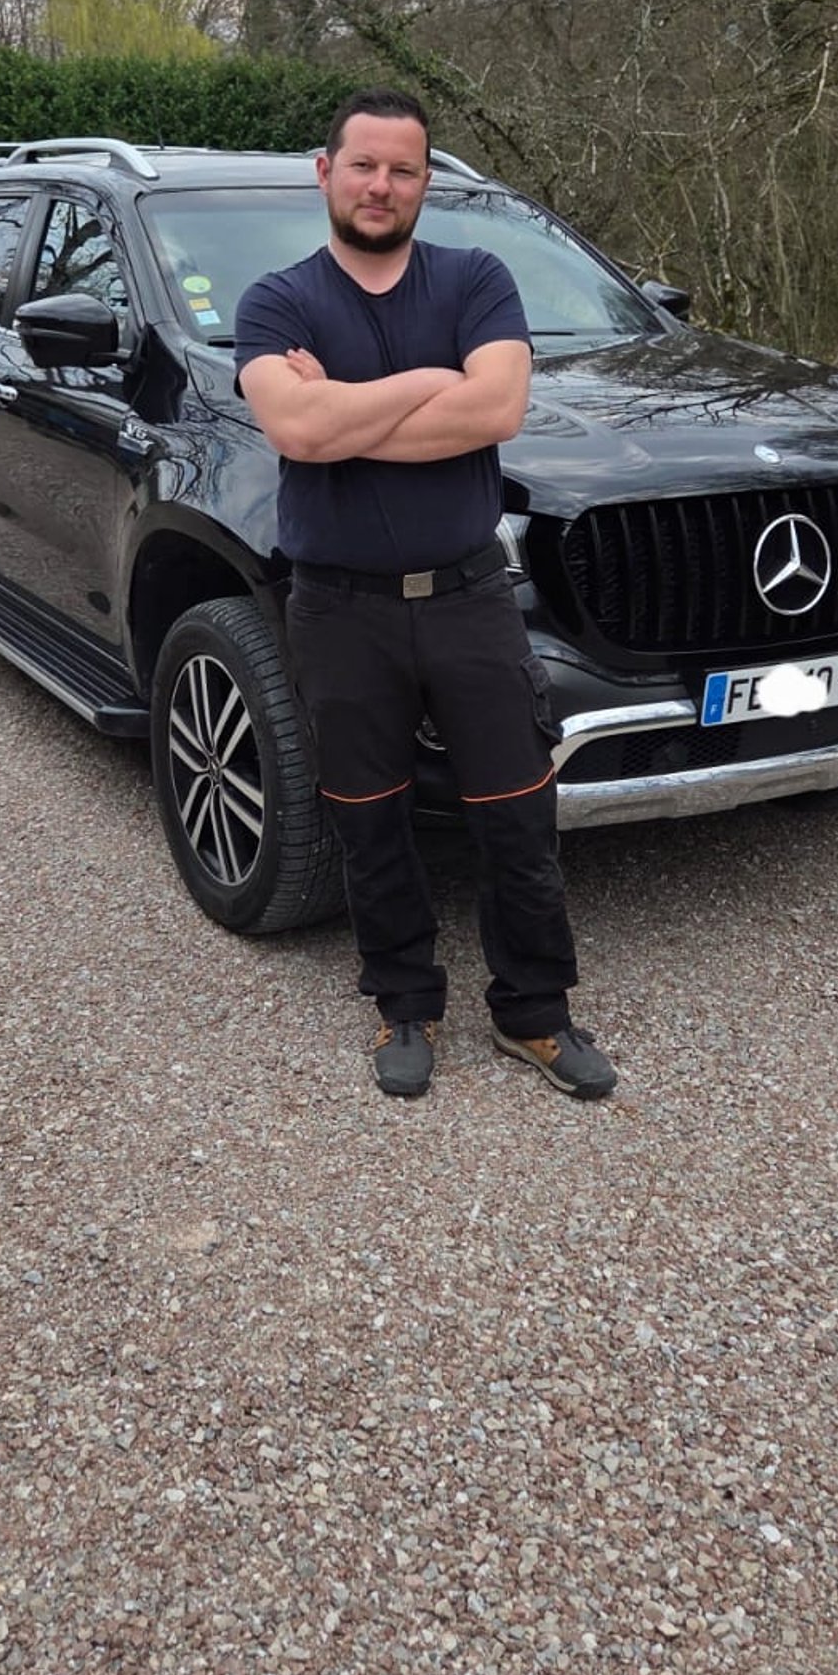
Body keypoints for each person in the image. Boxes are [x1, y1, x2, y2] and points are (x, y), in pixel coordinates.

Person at [234, 89, 617, 1104]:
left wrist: (346, 403)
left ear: (425, 182)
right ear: (326, 172)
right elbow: (298, 432)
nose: (381, 185)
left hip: (468, 599)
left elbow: (498, 407)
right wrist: (428, 381)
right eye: (363, 165)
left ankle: (534, 1014)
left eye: (403, 170)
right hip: (338, 608)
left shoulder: (475, 278)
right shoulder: (276, 301)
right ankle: (405, 1004)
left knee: (517, 814)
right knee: (369, 818)